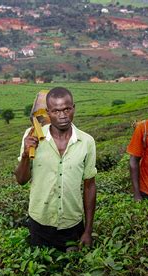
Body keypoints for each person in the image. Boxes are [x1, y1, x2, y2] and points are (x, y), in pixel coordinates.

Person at [15, 87, 97, 251]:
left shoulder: (87, 142)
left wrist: (88, 230)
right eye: (56, 111)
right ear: (48, 112)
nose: (62, 116)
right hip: (39, 224)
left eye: (67, 109)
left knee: (73, 272)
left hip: (72, 225)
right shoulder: (31, 136)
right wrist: (25, 155)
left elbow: (89, 186)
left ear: (74, 108)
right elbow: (21, 180)